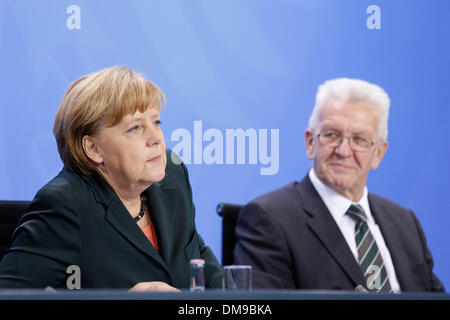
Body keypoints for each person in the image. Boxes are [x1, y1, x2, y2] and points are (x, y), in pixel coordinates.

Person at [0, 66, 222, 291]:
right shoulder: (66, 205)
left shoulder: (171, 179)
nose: (156, 138)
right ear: (94, 148)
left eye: (156, 123)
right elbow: (9, 295)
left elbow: (201, 262)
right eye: (135, 128)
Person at [234, 78, 445, 292]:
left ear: (378, 153)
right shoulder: (270, 219)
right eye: (331, 135)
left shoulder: (405, 223)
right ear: (310, 143)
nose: (343, 151)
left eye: (359, 139)